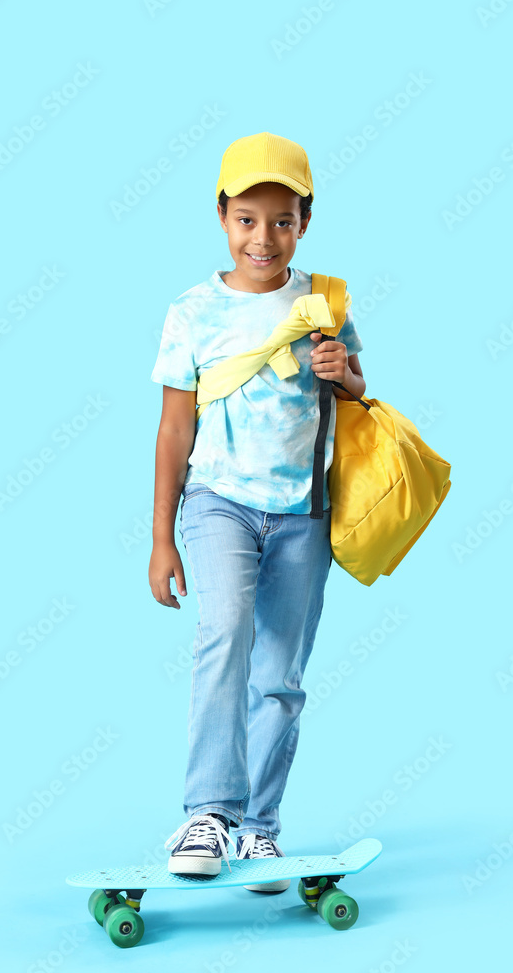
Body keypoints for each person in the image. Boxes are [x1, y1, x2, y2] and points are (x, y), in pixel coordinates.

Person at [148, 131, 366, 892]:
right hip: (219, 504)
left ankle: (259, 830)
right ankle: (208, 811)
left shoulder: (323, 303)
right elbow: (176, 428)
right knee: (224, 630)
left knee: (280, 675)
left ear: (304, 221)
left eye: (281, 220)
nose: (262, 237)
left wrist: (345, 376)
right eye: (246, 219)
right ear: (220, 217)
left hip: (303, 510)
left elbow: (356, 395)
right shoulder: (192, 312)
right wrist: (160, 539)